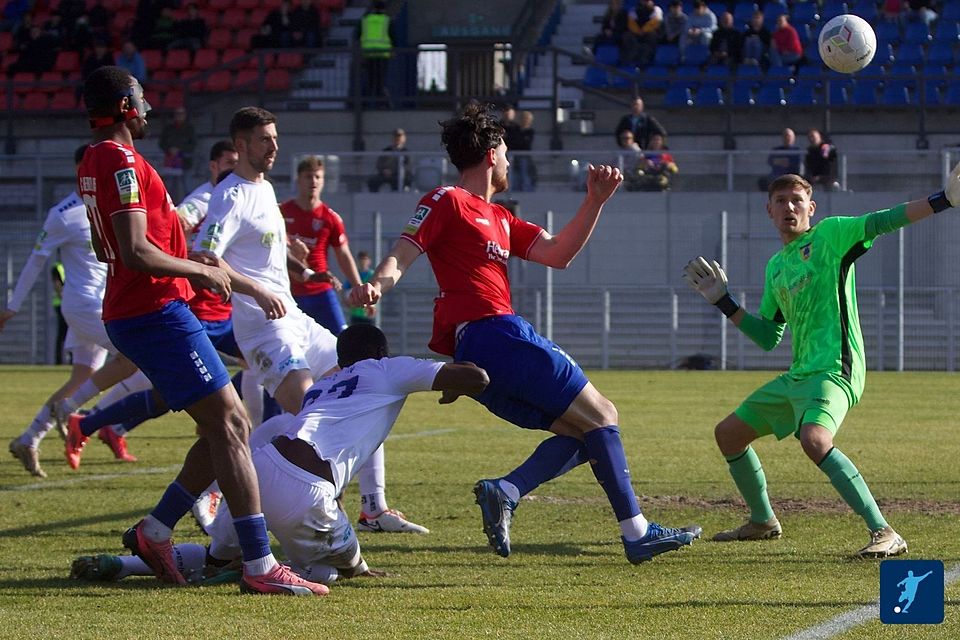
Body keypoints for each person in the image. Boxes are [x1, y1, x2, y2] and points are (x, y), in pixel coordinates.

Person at [349, 103, 702, 564]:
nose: (509, 162)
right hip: (495, 333)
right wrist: (377, 284)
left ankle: (507, 490)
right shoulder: (447, 200)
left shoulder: (501, 218)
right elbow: (403, 252)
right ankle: (636, 533)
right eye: (507, 153)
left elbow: (558, 254)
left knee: (586, 433)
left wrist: (594, 202)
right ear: (491, 153)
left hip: (484, 351)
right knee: (603, 413)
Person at [75, 66, 326, 595]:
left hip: (143, 309)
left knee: (222, 425)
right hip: (154, 311)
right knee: (233, 423)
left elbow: (106, 247)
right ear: (125, 106)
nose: (148, 108)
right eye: (141, 99)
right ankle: (259, 564)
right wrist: (199, 270)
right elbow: (134, 251)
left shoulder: (96, 160)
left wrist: (177, 259)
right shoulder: (121, 160)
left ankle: (156, 530)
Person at [681, 163, 960, 557]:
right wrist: (724, 302)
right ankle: (763, 521)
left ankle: (885, 532)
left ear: (811, 207)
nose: (789, 207)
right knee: (728, 434)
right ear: (769, 211)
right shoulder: (776, 267)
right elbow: (768, 337)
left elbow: (883, 220)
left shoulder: (831, 234)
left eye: (797, 200)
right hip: (799, 375)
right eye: (781, 201)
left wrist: (942, 200)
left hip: (836, 369)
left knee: (814, 440)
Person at [72, 325, 489, 587]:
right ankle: (257, 571)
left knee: (219, 554)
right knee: (332, 570)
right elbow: (478, 377)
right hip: (304, 491)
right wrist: (454, 384)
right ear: (381, 353)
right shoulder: (387, 368)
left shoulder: (323, 385)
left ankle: (122, 564)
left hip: (260, 470)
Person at [196, 107, 427, 534]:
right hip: (263, 327)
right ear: (242, 145)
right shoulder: (230, 195)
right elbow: (206, 258)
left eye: (275, 137)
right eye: (264, 139)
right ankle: (215, 489)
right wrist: (258, 291)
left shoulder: (264, 188)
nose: (274, 146)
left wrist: (301, 269)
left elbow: (261, 248)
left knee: (366, 379)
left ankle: (373, 507)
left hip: (292, 316)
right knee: (309, 416)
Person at [2, 145, 133, 478]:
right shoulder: (63, 214)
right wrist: (13, 306)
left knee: (82, 378)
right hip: (84, 306)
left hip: (102, 304)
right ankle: (81, 416)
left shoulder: (109, 205)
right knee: (133, 358)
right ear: (80, 172)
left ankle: (29, 438)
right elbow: (36, 260)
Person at [283, 156, 363, 335]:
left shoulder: (330, 218)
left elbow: (343, 254)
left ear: (323, 181)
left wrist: (358, 287)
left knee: (342, 340)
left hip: (321, 291)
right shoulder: (282, 212)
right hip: (289, 292)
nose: (313, 181)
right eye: (308, 176)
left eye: (318, 177)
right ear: (298, 180)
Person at [158, 106, 197, 203]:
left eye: (181, 114)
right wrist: (170, 150)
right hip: (171, 161)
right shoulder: (168, 128)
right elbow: (162, 143)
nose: (179, 116)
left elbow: (193, 144)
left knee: (187, 187)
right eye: (177, 114)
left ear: (185, 115)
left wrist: (180, 150)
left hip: (185, 162)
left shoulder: (190, 129)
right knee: (169, 187)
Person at [359, 1, 393, 101]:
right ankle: (380, 101)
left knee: (370, 78)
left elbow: (357, 35)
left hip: (368, 53)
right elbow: (393, 36)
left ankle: (366, 101)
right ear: (384, 9)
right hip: (382, 54)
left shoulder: (365, 20)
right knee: (380, 79)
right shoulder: (387, 21)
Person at [758, 127, 801, 192]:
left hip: (791, 175)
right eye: (785, 136)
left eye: (789, 136)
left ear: (793, 138)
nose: (787, 138)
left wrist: (779, 161)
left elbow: (794, 162)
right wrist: (784, 161)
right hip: (776, 175)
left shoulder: (797, 150)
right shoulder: (776, 150)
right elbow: (770, 161)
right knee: (762, 181)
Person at [622, 0, 661, 66]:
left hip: (649, 32)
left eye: (647, 1)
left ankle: (646, 59)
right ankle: (632, 58)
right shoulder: (634, 9)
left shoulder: (656, 10)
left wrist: (644, 30)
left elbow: (655, 23)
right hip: (637, 33)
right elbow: (631, 24)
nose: (645, 2)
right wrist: (638, 31)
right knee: (627, 35)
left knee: (652, 35)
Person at [348, 251, 376, 326]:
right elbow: (345, 288)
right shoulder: (354, 274)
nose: (363, 261)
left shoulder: (372, 275)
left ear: (369, 261)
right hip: (355, 313)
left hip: (367, 313)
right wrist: (345, 299)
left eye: (365, 259)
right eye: (361, 259)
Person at [51, 260, 67, 363]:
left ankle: (70, 360)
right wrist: (63, 298)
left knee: (68, 333)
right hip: (61, 303)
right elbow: (57, 284)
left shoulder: (66, 265)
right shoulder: (58, 267)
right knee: (63, 333)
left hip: (67, 302)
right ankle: (59, 360)